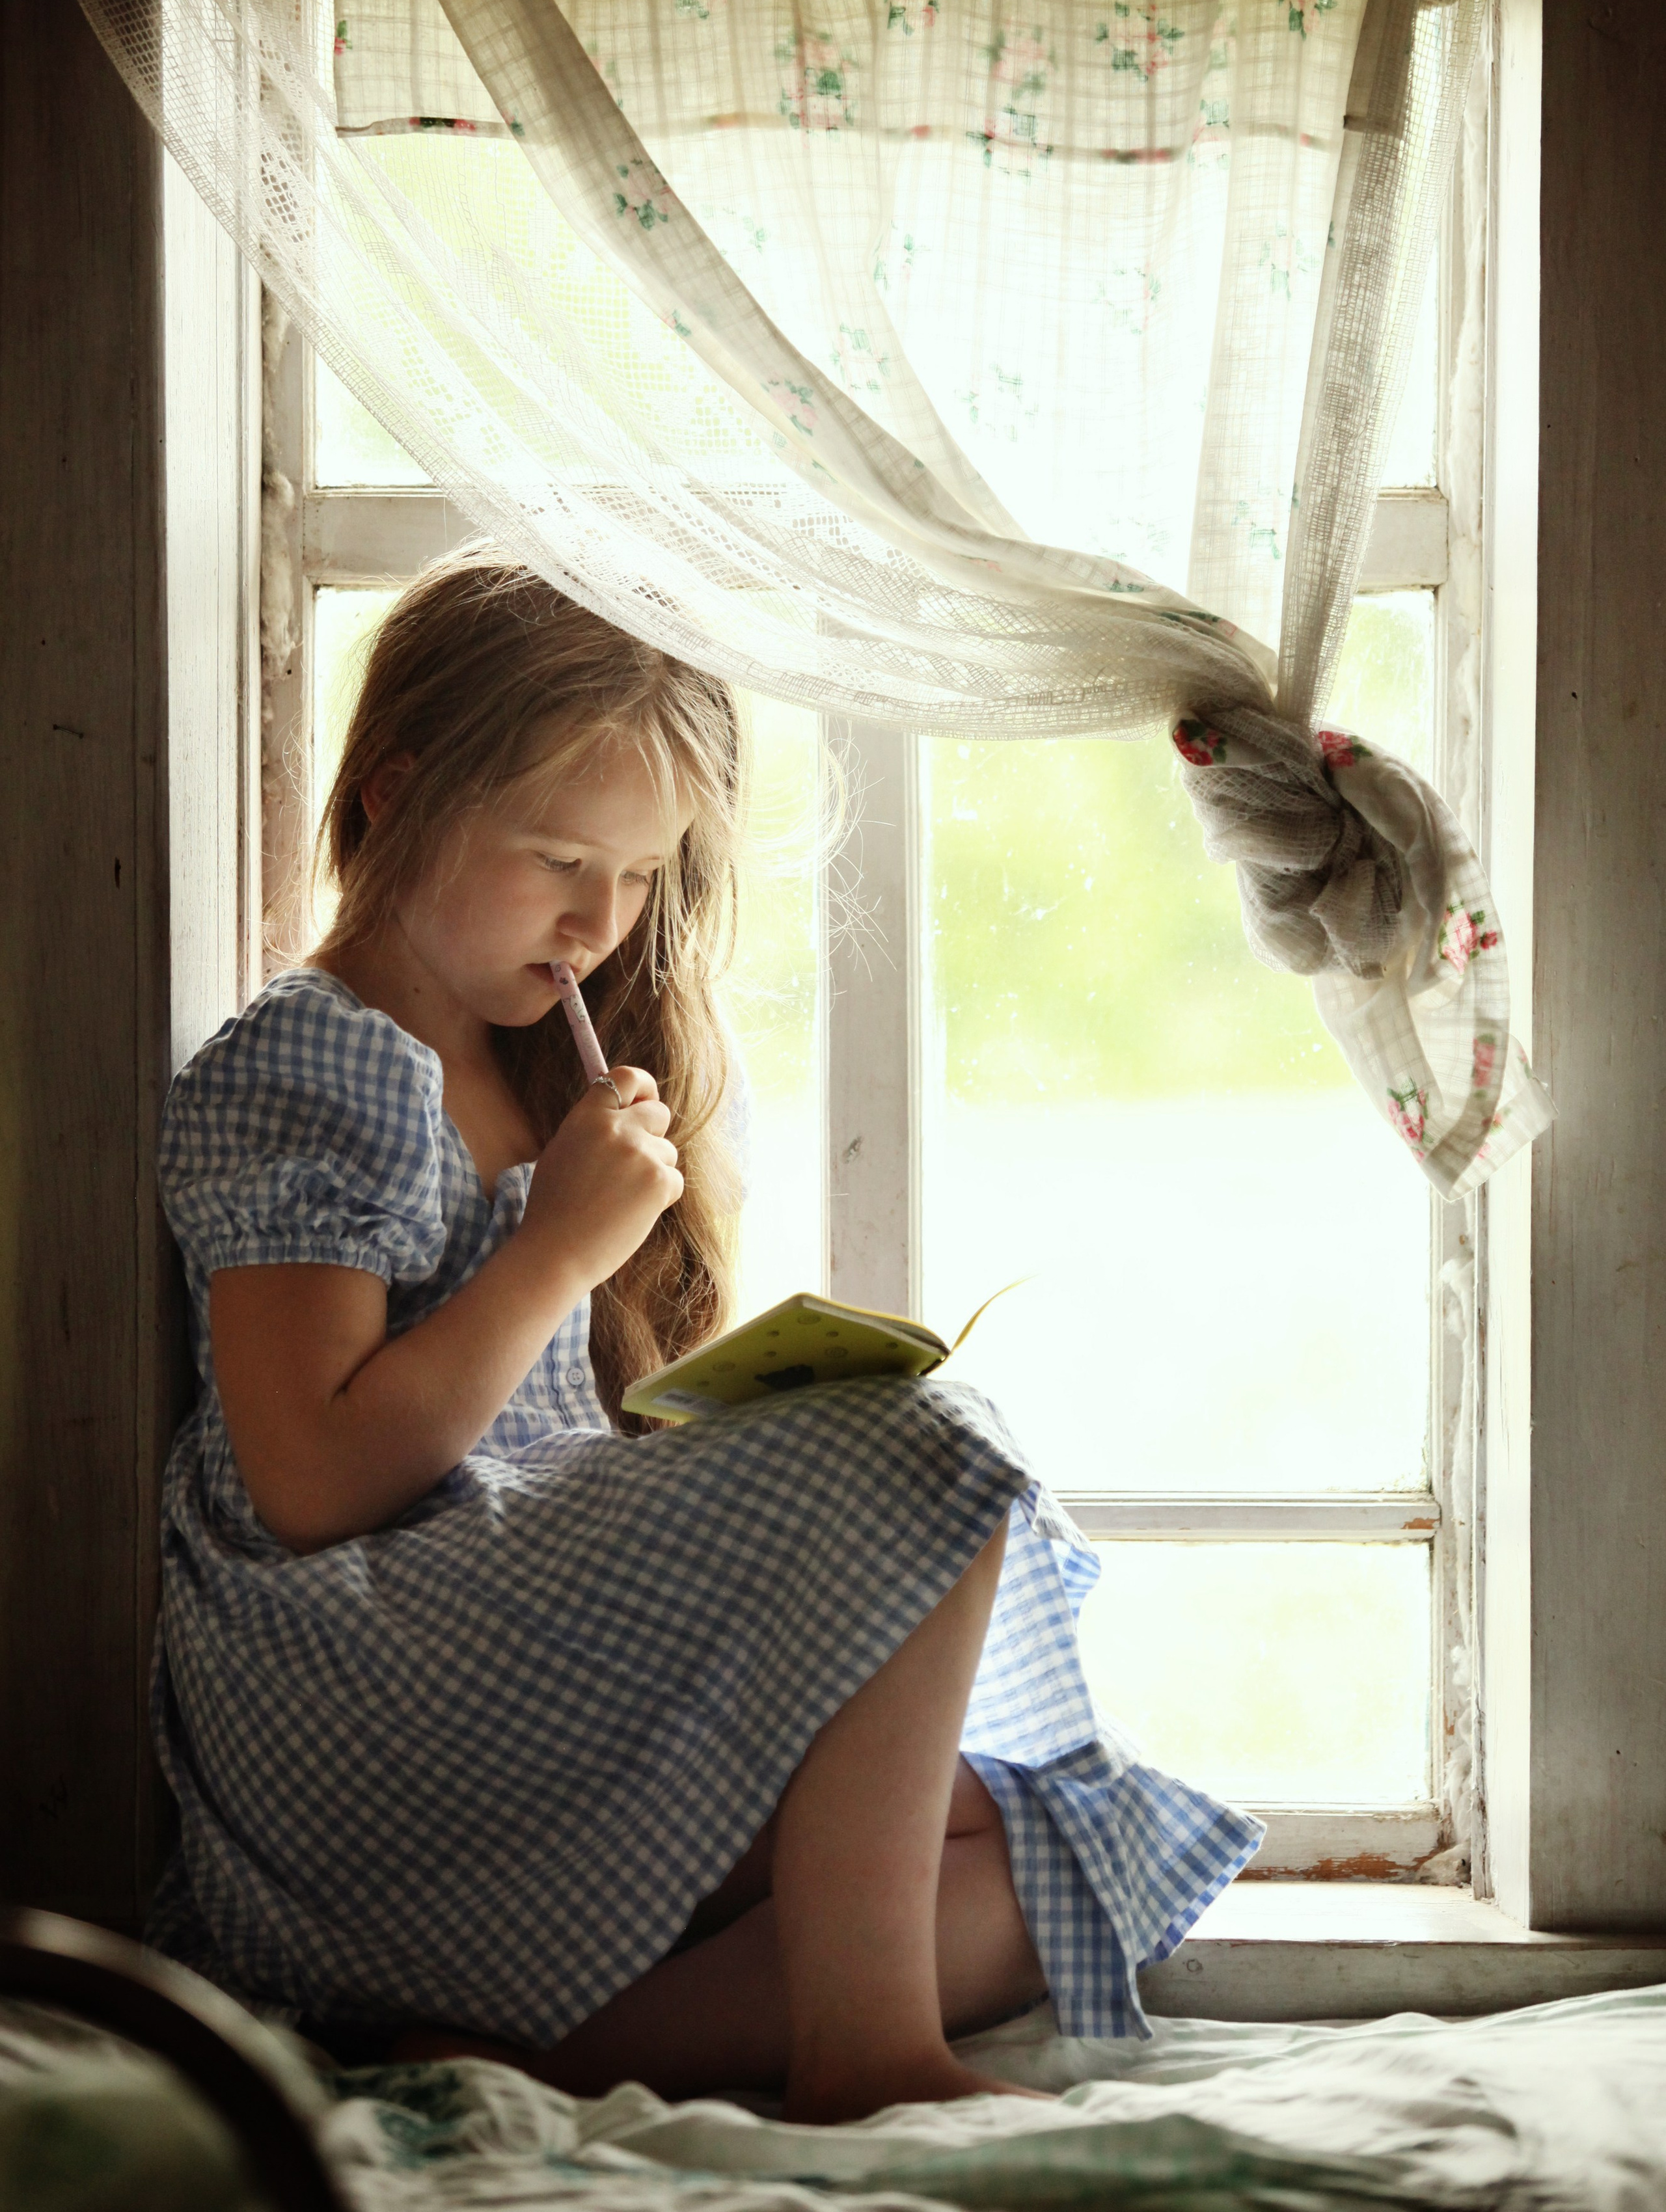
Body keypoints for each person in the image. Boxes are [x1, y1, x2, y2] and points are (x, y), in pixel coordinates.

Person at [148, 549, 1260, 2122]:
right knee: (930, 1451)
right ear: (392, 796)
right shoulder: (316, 1063)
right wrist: (555, 1250)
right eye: (556, 860)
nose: (600, 920)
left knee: (1062, 1847)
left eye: (639, 874)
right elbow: (311, 1484)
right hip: (360, 1703)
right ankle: (862, 2050)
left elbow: (519, 1445)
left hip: (493, 1665)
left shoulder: (522, 1063)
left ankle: (522, 2060)